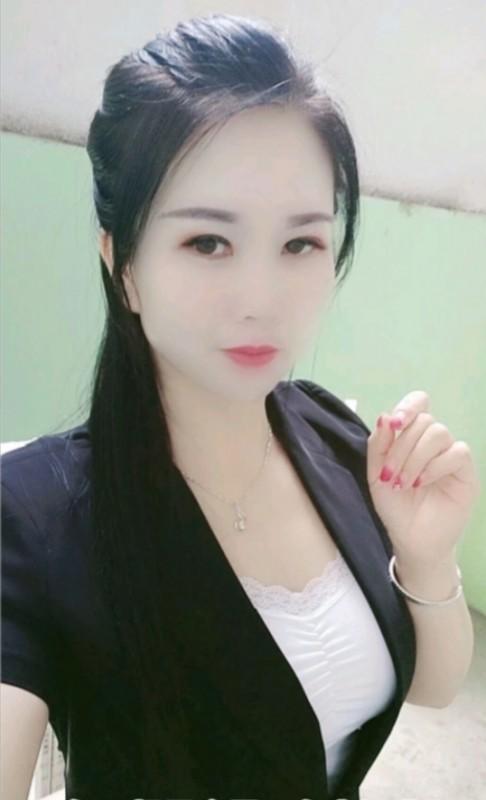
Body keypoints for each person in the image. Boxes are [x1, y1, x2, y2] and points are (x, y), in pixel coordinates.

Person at [2, 13, 418, 800]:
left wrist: (424, 554)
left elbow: (432, 683)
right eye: (207, 242)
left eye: (300, 243)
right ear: (122, 264)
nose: (261, 299)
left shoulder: (334, 433)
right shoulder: (32, 517)